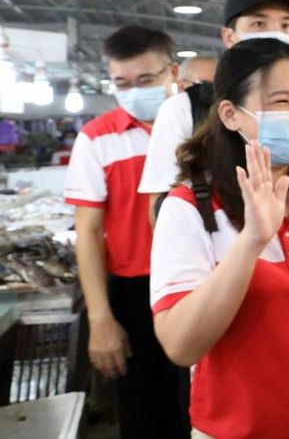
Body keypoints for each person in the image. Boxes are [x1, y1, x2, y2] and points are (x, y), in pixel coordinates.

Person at [151, 39, 289, 439]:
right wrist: (251, 242)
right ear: (231, 115)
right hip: (236, 429)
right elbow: (180, 346)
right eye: (280, 102)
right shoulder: (191, 208)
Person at [64, 26, 189, 438]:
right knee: (146, 412)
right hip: (135, 293)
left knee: (206, 403)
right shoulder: (97, 140)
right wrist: (101, 318)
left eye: (145, 80)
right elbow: (87, 233)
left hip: (202, 283)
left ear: (172, 73)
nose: (133, 91)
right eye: (122, 83)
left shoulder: (201, 126)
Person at [139, 0, 289, 221]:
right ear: (229, 36)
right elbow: (160, 206)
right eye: (259, 24)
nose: (275, 34)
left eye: (286, 25)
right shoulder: (183, 109)